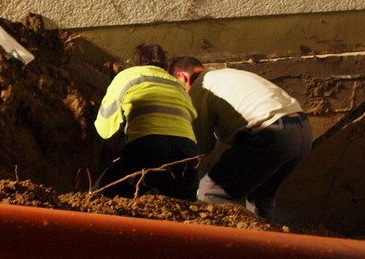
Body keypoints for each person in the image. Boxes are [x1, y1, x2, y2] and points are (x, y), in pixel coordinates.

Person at [169, 56, 312, 219]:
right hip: (302, 130)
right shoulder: (228, 75)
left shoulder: (200, 88)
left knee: (211, 191)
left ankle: (221, 242)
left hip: (271, 135)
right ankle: (263, 241)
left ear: (182, 77)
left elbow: (202, 147)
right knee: (261, 196)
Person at [92, 43, 200, 199]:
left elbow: (105, 129)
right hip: (188, 154)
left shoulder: (128, 76)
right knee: (183, 212)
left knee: (99, 199)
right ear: (166, 64)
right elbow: (190, 118)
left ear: (137, 62)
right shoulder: (178, 85)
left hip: (149, 148)